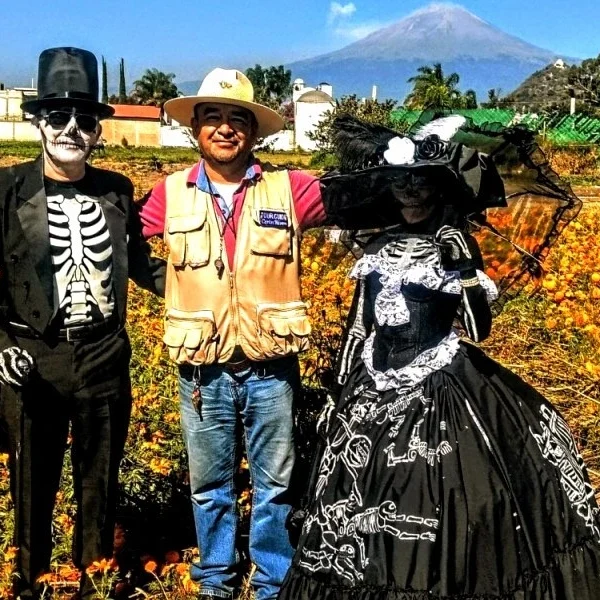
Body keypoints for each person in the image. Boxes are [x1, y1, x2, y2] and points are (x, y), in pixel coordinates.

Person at [277, 115, 600, 599]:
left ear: (440, 190)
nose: (411, 192)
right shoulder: (376, 248)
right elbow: (359, 325)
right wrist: (339, 391)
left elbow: (476, 329)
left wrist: (466, 269)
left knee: (445, 496)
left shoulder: (452, 248)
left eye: (422, 183)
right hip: (370, 386)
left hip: (439, 387)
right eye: (402, 182)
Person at [138, 68, 326, 600]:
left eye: (237, 119)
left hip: (271, 369)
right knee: (209, 487)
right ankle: (216, 580)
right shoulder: (167, 194)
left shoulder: (291, 188)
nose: (225, 129)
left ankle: (271, 581)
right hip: (201, 369)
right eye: (213, 118)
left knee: (276, 486)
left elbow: (359, 202)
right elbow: (125, 244)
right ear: (195, 128)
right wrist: (170, 284)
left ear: (253, 131)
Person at [0, 47, 165, 599]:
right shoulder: (5, 190)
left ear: (97, 130)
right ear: (38, 122)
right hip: (31, 357)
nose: (72, 128)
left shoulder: (117, 189)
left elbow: (142, 266)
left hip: (102, 353)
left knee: (99, 479)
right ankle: (28, 584)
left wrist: (216, 285)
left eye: (85, 119)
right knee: (32, 480)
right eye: (58, 117)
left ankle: (91, 582)